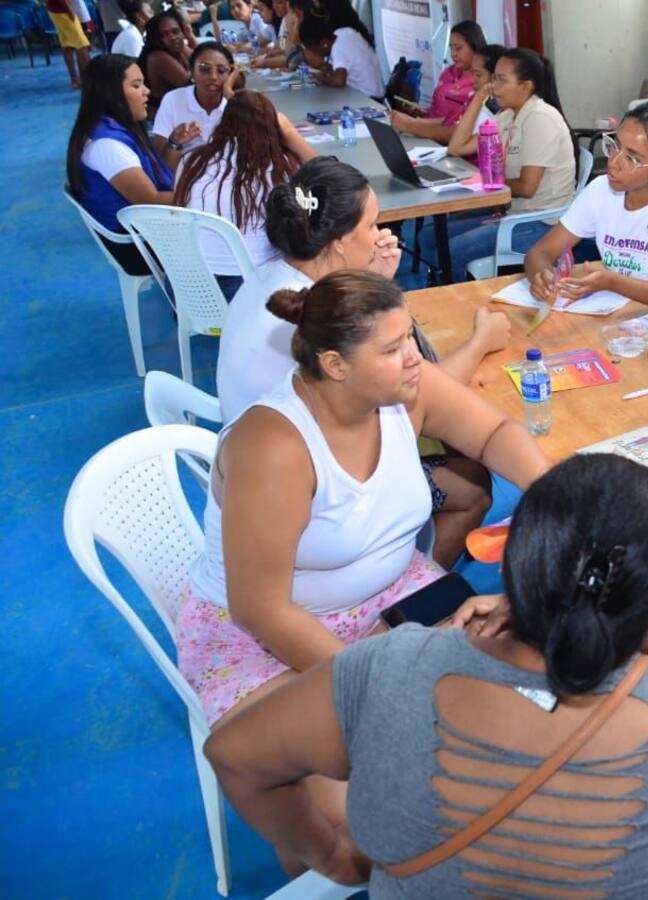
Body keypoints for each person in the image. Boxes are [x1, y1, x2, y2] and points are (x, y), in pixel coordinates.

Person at [203, 452, 648, 895]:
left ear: (510, 568)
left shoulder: (391, 667)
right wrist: (601, 619)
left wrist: (335, 859)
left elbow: (234, 754)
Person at [180, 269, 547, 736]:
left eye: (409, 336)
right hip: (268, 639)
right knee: (375, 766)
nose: (415, 357)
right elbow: (262, 610)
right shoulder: (275, 449)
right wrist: (376, 683)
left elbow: (495, 432)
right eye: (393, 350)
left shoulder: (403, 390)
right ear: (336, 365)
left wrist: (555, 490)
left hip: (390, 596)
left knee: (522, 702)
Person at [217, 157, 514, 566]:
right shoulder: (322, 320)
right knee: (474, 484)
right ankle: (415, 596)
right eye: (372, 225)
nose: (380, 235)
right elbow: (421, 390)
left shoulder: (276, 281)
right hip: (314, 491)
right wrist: (481, 341)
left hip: (265, 461)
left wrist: (373, 284)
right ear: (339, 241)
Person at [524, 101, 648, 310]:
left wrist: (613, 283)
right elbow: (540, 252)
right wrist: (542, 277)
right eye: (614, 145)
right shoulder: (601, 190)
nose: (613, 162)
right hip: (621, 312)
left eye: (631, 158)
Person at [436, 48, 576, 283]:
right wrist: (479, 97)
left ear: (525, 86)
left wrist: (486, 183)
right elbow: (457, 147)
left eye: (501, 80)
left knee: (451, 249)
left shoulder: (540, 118)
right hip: (515, 213)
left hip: (541, 222)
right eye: (493, 79)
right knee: (432, 237)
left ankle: (450, 305)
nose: (494, 86)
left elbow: (527, 187)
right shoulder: (508, 115)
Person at [174, 90, 315, 299]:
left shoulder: (191, 161)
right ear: (272, 127)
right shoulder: (277, 169)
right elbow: (327, 179)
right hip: (246, 289)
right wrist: (290, 132)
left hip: (189, 289)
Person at [66, 54, 193, 274]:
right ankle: (202, 302)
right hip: (138, 246)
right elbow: (151, 200)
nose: (147, 91)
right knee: (233, 230)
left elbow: (160, 179)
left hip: (147, 229)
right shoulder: (107, 146)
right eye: (137, 85)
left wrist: (174, 144)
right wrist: (207, 194)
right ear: (111, 93)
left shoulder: (115, 127)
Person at [388, 20, 486, 144]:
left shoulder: (481, 83)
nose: (453, 54)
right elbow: (437, 110)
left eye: (458, 48)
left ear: (475, 47)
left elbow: (456, 126)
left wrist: (411, 124)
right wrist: (418, 114)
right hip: (425, 134)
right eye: (451, 48)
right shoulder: (448, 73)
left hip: (442, 140)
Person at [150, 41, 240, 158]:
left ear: (231, 74)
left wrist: (228, 92)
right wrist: (175, 141)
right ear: (191, 72)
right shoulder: (173, 99)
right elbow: (159, 154)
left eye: (221, 70)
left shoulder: (235, 103)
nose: (213, 77)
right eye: (205, 69)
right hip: (184, 171)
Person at [298, 14, 384, 97]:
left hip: (369, 98)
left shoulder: (338, 48)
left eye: (315, 51)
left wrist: (321, 78)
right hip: (372, 93)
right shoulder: (342, 32)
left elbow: (338, 81)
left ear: (324, 43)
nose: (316, 55)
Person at [140, 9, 198, 109]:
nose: (173, 37)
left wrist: (190, 36)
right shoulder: (157, 57)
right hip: (162, 114)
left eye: (176, 31)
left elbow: (203, 59)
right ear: (155, 38)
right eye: (164, 34)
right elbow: (191, 85)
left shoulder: (178, 47)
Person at [44, 0, 92, 88]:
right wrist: (69, 10)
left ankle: (75, 80)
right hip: (64, 11)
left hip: (57, 10)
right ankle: (89, 79)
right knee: (82, 45)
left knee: (67, 45)